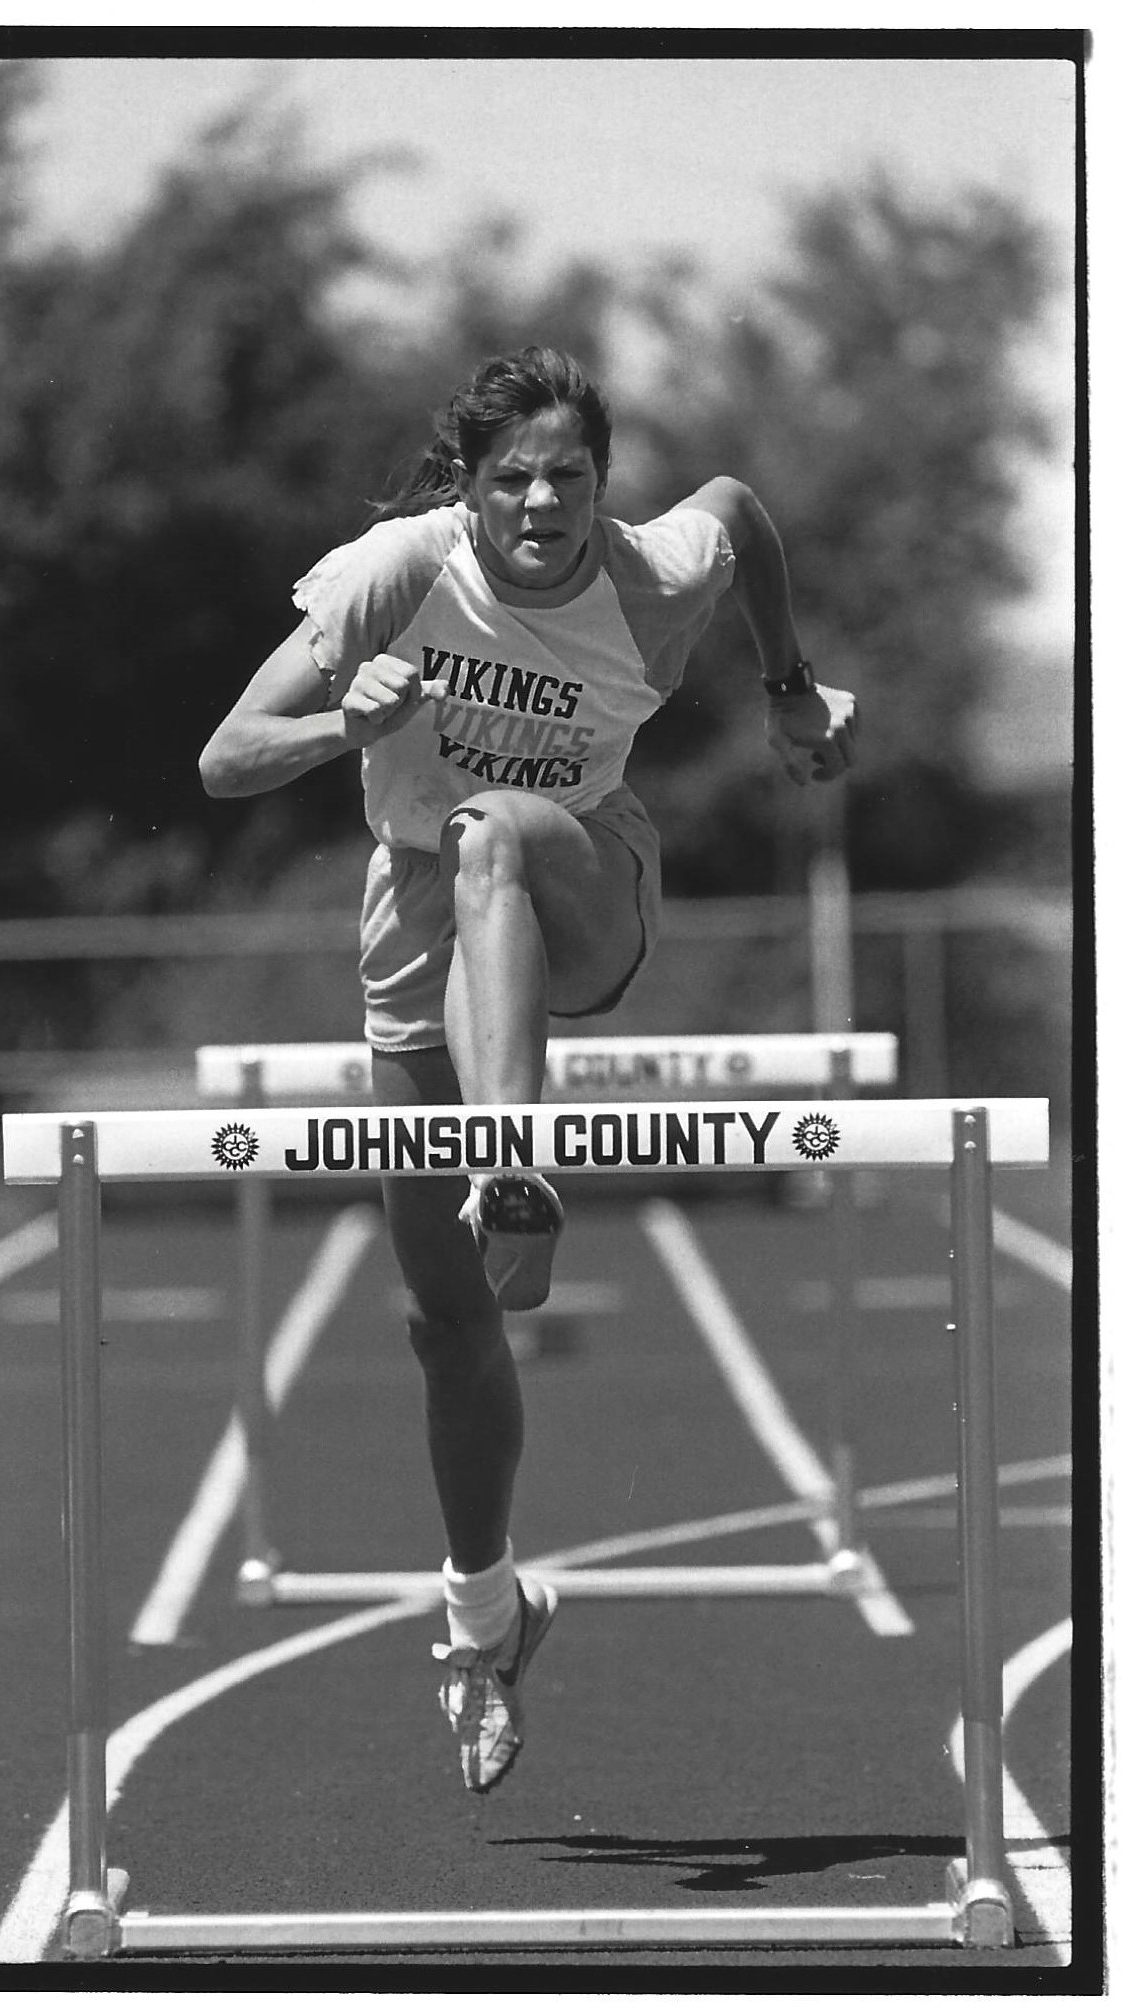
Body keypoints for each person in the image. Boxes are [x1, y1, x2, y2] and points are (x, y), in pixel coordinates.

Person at [200, 345, 857, 1794]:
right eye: (516, 478)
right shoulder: (392, 572)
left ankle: (513, 1156)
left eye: (571, 474)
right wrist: (344, 725)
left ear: (600, 485)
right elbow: (226, 757)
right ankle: (486, 1615)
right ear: (470, 487)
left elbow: (740, 511)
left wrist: (791, 690)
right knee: (448, 1321)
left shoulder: (644, 575)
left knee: (495, 826)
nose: (546, 501)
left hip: (585, 884)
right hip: (416, 939)